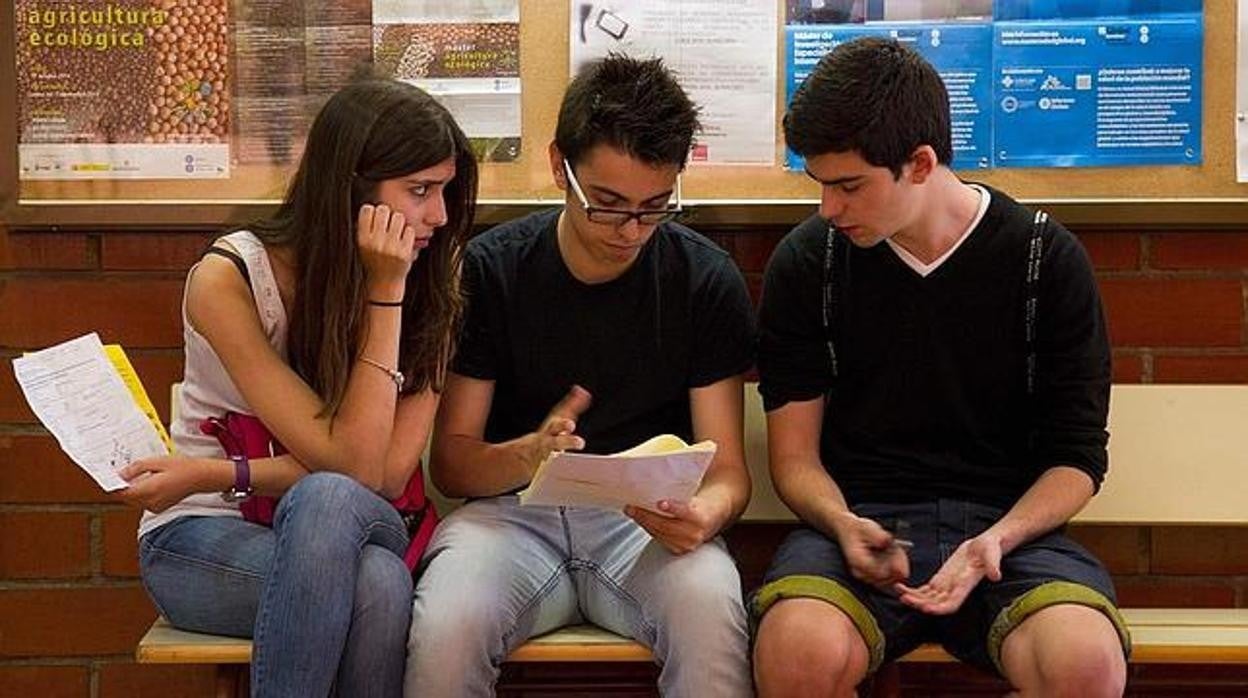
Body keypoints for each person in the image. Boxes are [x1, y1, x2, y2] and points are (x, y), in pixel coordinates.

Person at [751, 37, 1129, 697]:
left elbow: (1076, 461)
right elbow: (796, 460)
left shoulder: (1045, 259)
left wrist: (998, 540)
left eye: (848, 187)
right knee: (795, 652)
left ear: (920, 164)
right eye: (819, 185)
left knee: (1086, 665)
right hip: (861, 523)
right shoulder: (810, 263)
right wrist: (844, 524)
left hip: (1007, 534)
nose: (828, 210)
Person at [404, 54, 756, 697]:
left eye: (655, 207)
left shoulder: (703, 280)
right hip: (509, 519)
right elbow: (451, 466)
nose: (631, 231)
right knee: (444, 627)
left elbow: (729, 470)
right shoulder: (490, 271)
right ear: (557, 166)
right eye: (608, 204)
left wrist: (705, 513)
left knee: (712, 611)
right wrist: (529, 455)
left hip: (644, 523)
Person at [119, 79, 477, 697]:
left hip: (357, 519)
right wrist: (215, 487)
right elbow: (350, 464)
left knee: (328, 503)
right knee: (377, 585)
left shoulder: (429, 281)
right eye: (419, 191)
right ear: (352, 189)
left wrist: (386, 293)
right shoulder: (229, 279)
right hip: (204, 536)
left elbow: (378, 473)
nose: (439, 216)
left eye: (444, 191)